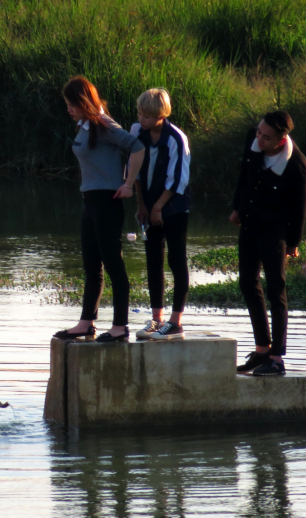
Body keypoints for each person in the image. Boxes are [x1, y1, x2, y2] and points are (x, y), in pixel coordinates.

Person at [54, 76, 145, 343]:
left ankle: (120, 327)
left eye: (72, 104)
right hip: (90, 201)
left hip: (107, 201)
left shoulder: (105, 124)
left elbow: (137, 148)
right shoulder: (85, 126)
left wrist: (128, 185)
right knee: (91, 265)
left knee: (113, 264)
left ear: (84, 102)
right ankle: (86, 323)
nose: (68, 109)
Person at [229, 111, 306, 376]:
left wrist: (293, 242)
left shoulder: (296, 164)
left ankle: (277, 359)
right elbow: (243, 173)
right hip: (250, 222)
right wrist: (236, 208)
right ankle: (262, 349)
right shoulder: (253, 141)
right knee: (247, 283)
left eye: (266, 137)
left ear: (281, 138)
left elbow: (300, 207)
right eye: (258, 133)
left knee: (276, 289)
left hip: (275, 229)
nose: (259, 139)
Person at [129, 88, 192, 341]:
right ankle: (157, 319)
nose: (141, 119)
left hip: (174, 206)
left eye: (146, 115)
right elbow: (134, 170)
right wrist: (142, 205)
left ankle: (176, 322)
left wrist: (158, 208)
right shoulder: (136, 132)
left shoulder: (176, 138)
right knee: (153, 260)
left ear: (161, 115)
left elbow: (178, 179)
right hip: (149, 201)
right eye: (140, 114)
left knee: (177, 260)